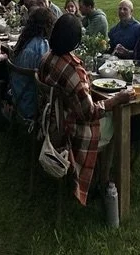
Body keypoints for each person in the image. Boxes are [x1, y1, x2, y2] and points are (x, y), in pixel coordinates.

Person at [37, 14, 129, 206]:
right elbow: (90, 114)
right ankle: (102, 180)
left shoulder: (47, 57)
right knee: (118, 119)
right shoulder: (72, 70)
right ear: (76, 40)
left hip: (50, 121)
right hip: (71, 131)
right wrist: (116, 99)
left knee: (110, 113)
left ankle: (97, 176)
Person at [9, 6, 55, 120]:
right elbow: (49, 75)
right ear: (47, 26)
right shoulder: (41, 46)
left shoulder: (25, 40)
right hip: (31, 103)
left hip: (18, 97)